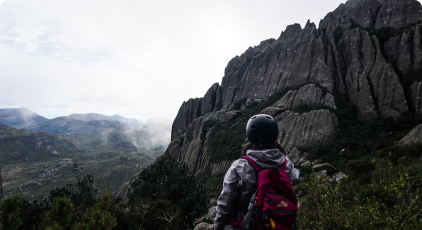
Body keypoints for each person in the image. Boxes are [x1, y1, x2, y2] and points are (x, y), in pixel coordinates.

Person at [213, 114, 300, 230]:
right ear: (275, 136)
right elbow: (295, 178)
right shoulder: (285, 164)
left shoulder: (240, 166)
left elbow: (225, 202)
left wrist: (217, 227)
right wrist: (283, 153)